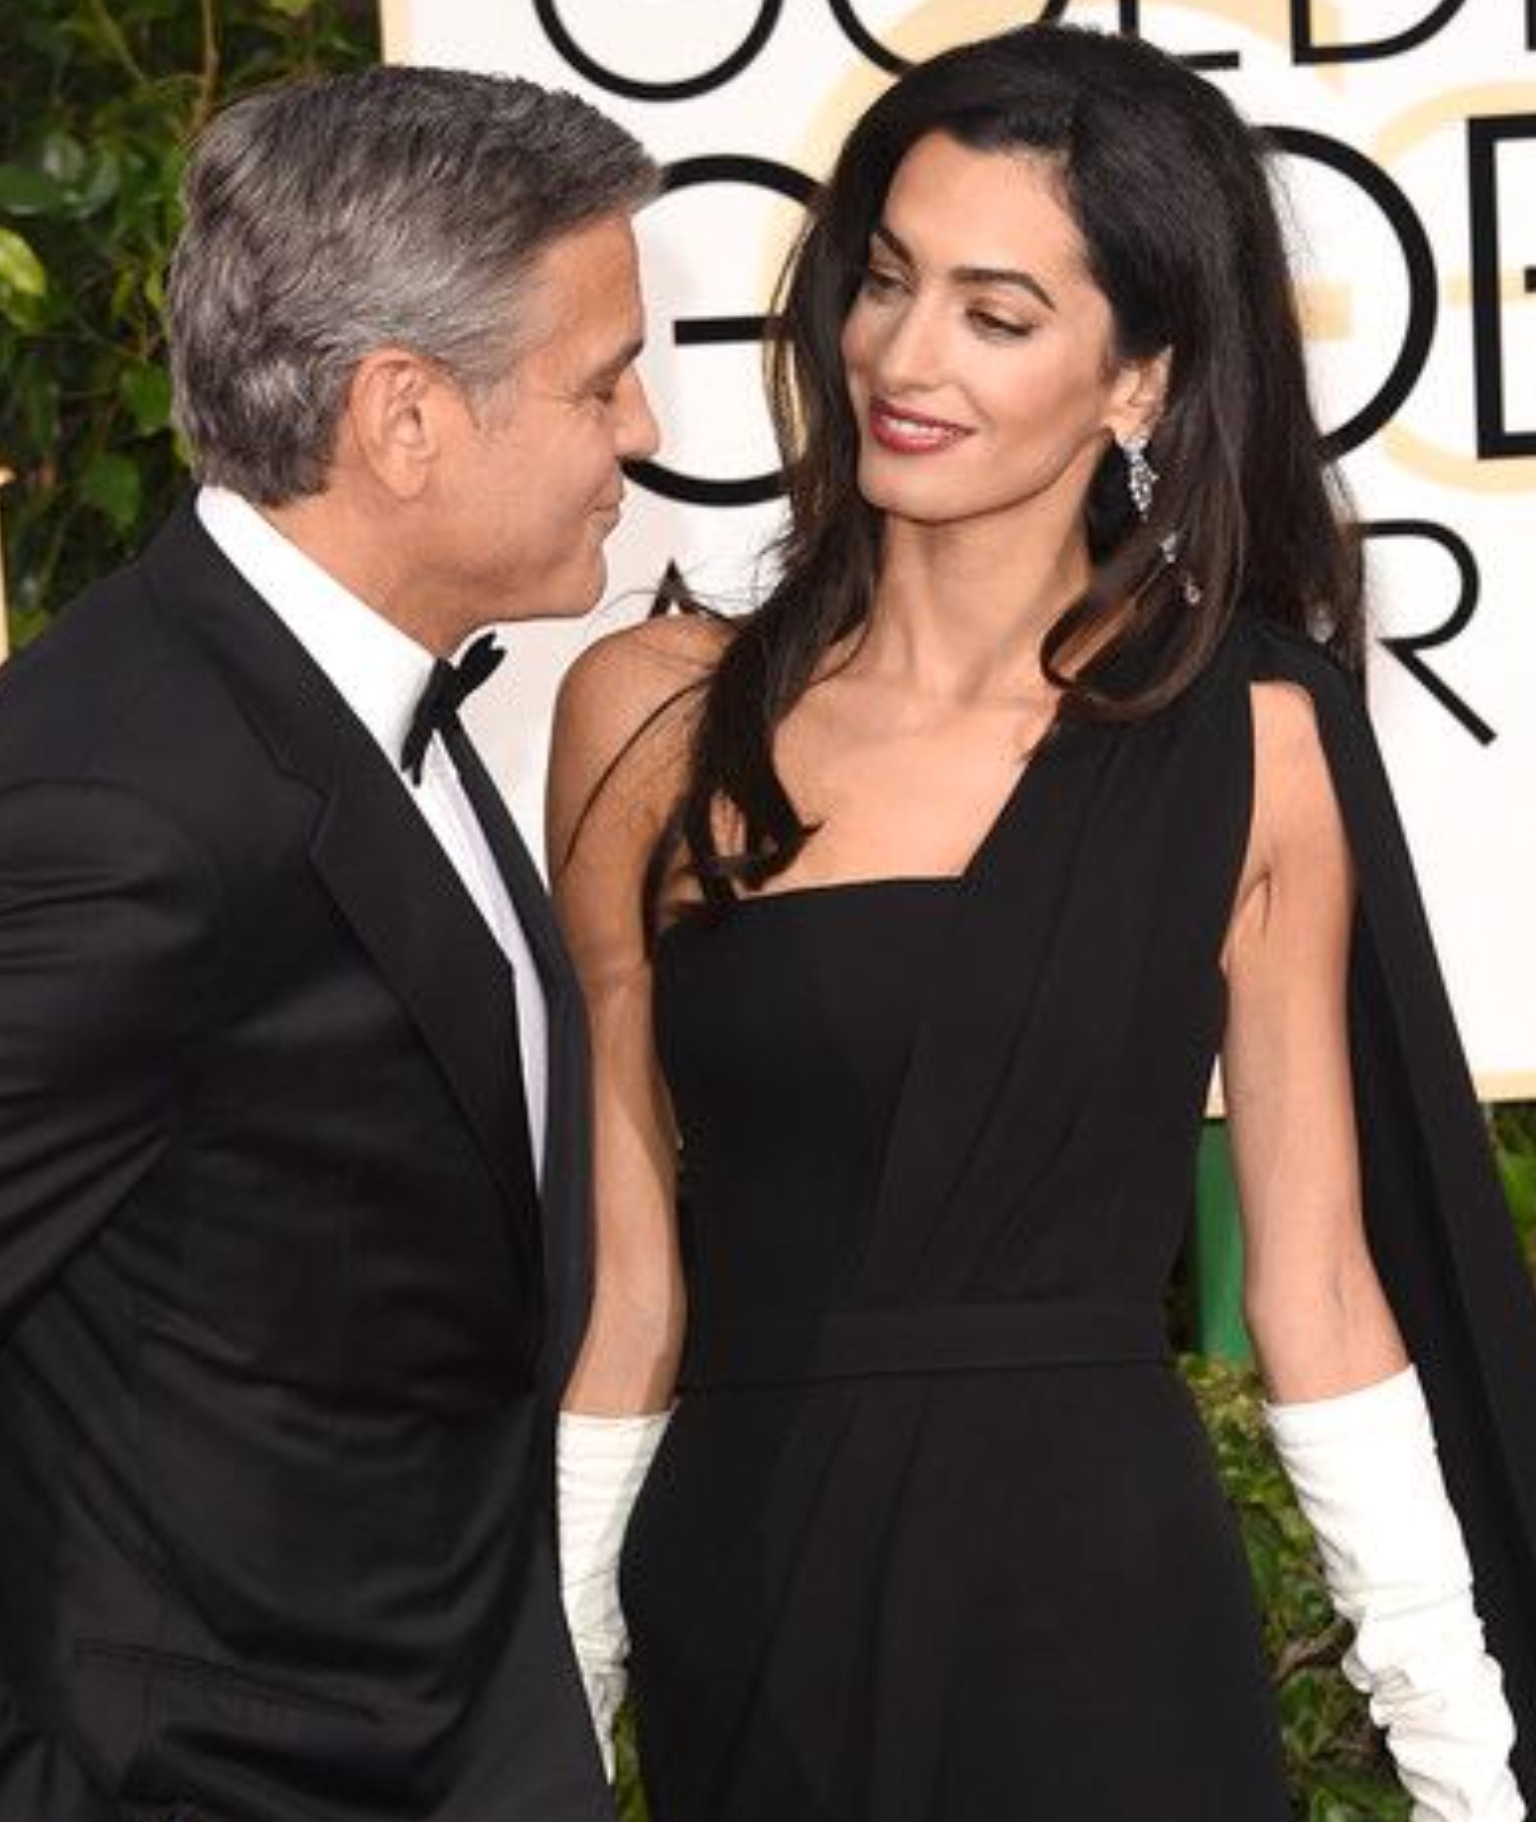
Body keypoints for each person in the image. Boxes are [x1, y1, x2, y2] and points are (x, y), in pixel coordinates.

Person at [547, 24, 1536, 1822]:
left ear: (1138, 379)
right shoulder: (653, 713)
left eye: (996, 315)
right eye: (889, 281)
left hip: (1102, 1615)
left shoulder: (1252, 741)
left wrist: (1470, 1774)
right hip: (753, 1602)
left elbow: (1317, 1290)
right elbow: (625, 1290)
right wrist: (552, 1711)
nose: (903, 356)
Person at [0, 64, 658, 1822]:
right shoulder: (115, 798)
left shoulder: (347, 700)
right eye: (600, 379)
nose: (644, 427)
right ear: (404, 415)